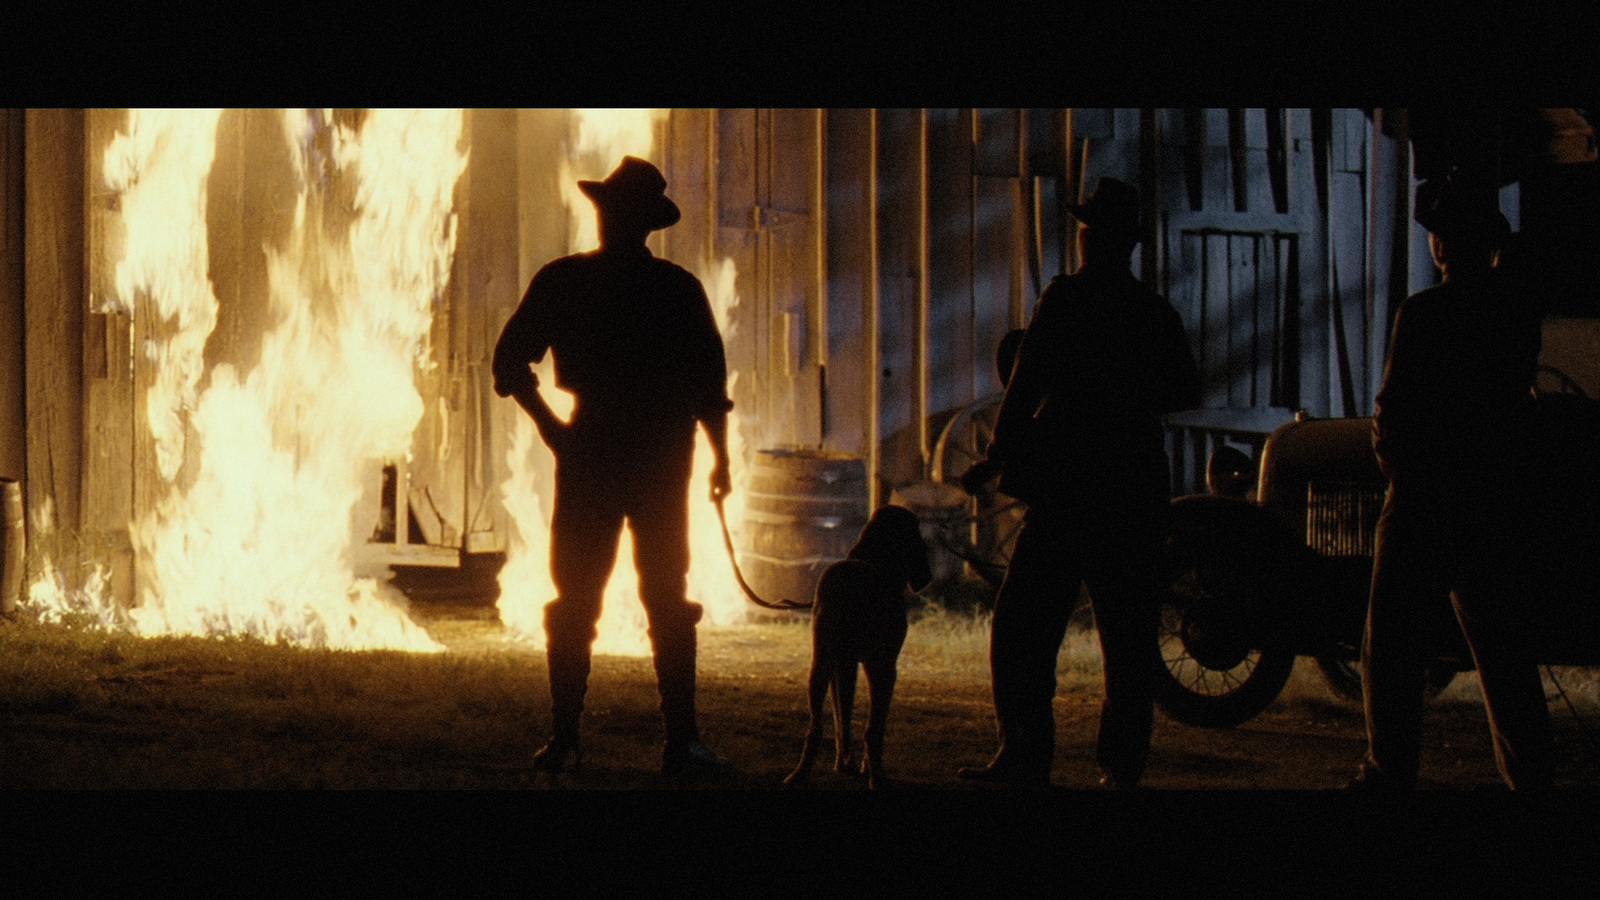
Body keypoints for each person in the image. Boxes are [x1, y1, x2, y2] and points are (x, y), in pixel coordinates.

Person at [492, 156, 736, 777]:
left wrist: (555, 433)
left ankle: (590, 739)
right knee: (630, 596)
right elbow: (708, 385)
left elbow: (511, 364)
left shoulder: (572, 281)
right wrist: (717, 456)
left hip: (608, 451)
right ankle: (657, 742)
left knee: (622, 597)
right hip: (640, 451)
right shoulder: (670, 288)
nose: (612, 221)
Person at [957, 177, 1201, 788]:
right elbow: (1183, 391)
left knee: (1022, 630)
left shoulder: (1064, 300)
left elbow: (1023, 388)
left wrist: (994, 459)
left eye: (1089, 225)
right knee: (1128, 642)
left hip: (1067, 493)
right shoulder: (1154, 312)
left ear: (1096, 238)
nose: (1085, 233)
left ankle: (1024, 755)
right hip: (1132, 493)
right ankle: (1121, 772)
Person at [1350, 177, 1554, 790]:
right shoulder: (1514, 314)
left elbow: (1391, 413)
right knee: (1502, 654)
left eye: (1440, 234)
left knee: (1389, 649)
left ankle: (1390, 772)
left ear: (1445, 245)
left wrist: (1401, 477)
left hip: (1423, 502)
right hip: (1489, 501)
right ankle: (1531, 776)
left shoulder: (1425, 313)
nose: (1436, 243)